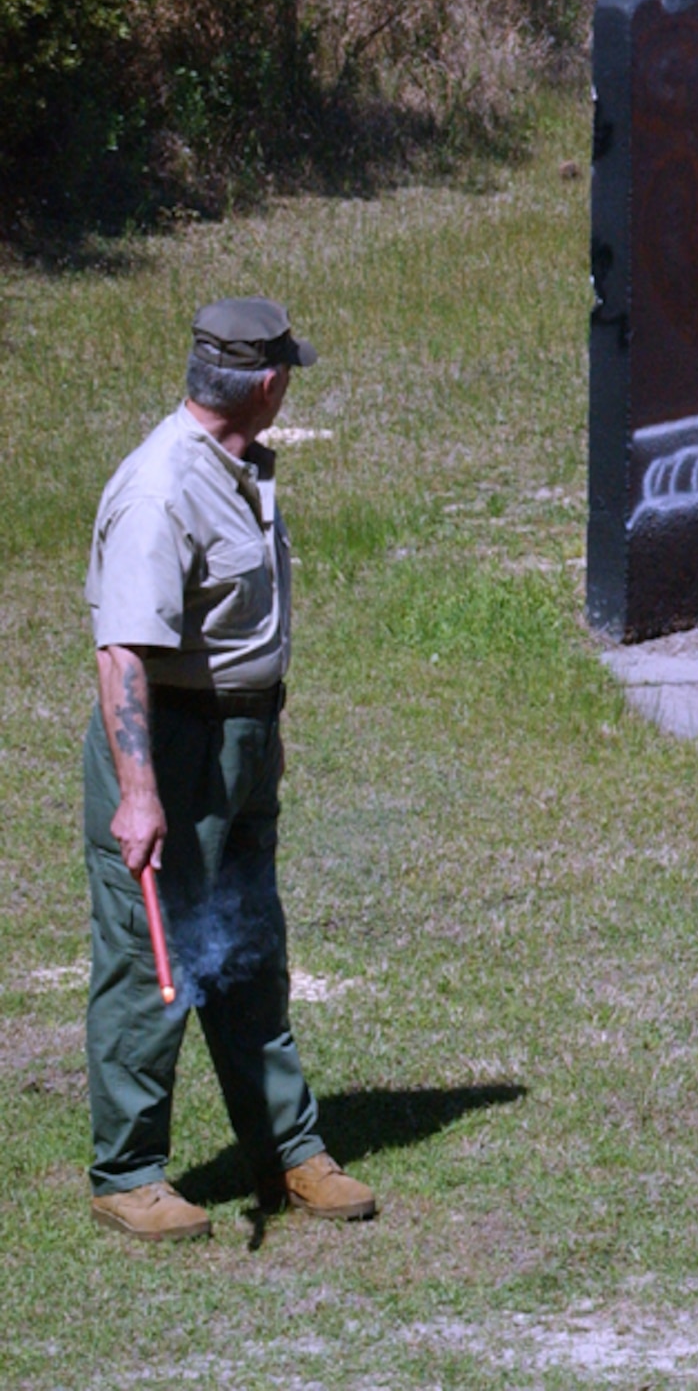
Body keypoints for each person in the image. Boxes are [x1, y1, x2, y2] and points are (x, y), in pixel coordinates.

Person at [83, 298, 376, 1240]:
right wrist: (139, 793)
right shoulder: (162, 485)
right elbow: (123, 652)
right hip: (167, 747)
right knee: (153, 960)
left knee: (251, 944)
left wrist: (262, 737)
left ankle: (290, 1151)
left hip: (237, 743)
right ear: (266, 381)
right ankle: (129, 1174)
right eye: (289, 369)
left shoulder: (236, 468)